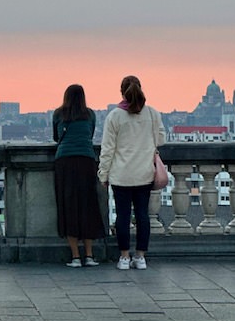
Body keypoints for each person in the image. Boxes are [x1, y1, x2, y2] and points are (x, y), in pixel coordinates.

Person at [98, 75, 165, 270]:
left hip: (121, 175)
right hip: (144, 173)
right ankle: (141, 256)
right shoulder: (152, 114)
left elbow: (107, 150)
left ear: (122, 92)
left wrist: (103, 175)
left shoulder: (114, 116)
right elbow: (161, 140)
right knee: (143, 215)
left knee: (123, 216)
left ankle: (124, 257)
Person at [52, 84, 106, 268]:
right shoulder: (90, 114)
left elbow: (56, 137)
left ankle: (75, 257)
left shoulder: (59, 114)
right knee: (88, 206)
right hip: (86, 161)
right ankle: (89, 255)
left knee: (68, 207)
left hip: (64, 162)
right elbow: (89, 135)